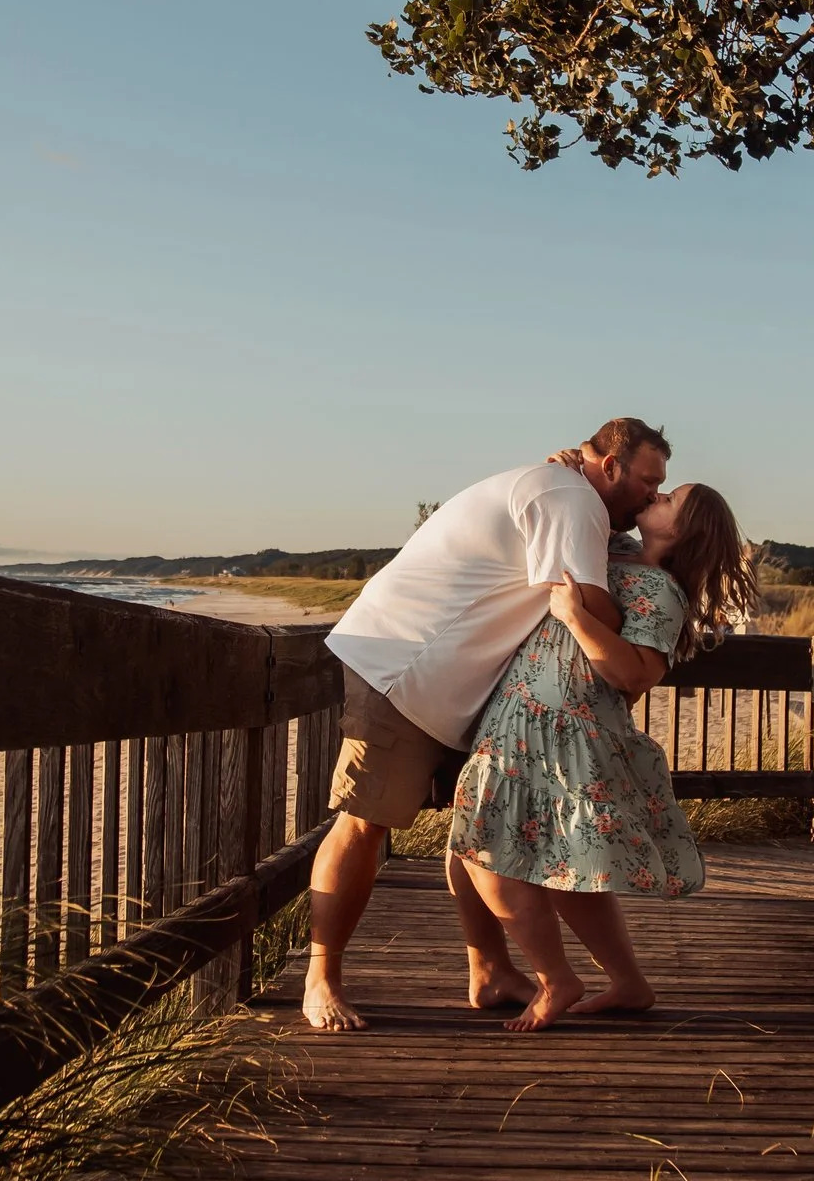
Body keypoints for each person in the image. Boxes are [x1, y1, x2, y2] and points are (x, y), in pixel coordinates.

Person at [304, 419, 672, 1032]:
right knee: (364, 821)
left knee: (475, 832)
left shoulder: (569, 492)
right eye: (646, 480)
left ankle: (491, 970)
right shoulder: (570, 497)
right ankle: (321, 978)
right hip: (407, 667)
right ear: (609, 464)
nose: (651, 494)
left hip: (460, 683)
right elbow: (586, 603)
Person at [445, 482, 758, 1030]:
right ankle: (629, 983)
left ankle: (556, 977)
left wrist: (575, 618)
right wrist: (568, 469)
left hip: (558, 731)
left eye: (668, 501)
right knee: (571, 866)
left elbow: (636, 673)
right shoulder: (612, 553)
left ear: (683, 531)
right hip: (529, 720)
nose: (654, 498)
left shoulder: (660, 589)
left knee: (481, 850)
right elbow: (564, 517)